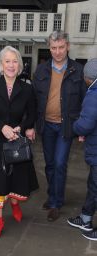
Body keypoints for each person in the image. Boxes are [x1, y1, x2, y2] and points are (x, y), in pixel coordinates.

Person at [0, 46, 39, 240]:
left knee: (15, 179)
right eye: (7, 61)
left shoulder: (27, 89)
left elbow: (32, 114)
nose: (11, 65)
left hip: (16, 141)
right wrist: (1, 127)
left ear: (20, 65)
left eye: (15, 61)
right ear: (1, 65)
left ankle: (15, 203)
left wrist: (22, 126)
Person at [32, 30, 87, 221]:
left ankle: (55, 203)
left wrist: (83, 127)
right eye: (54, 48)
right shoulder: (40, 70)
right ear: (49, 48)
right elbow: (33, 101)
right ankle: (54, 194)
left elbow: (85, 100)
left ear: (68, 46)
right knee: (49, 165)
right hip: (46, 126)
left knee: (60, 163)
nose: (57, 52)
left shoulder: (78, 70)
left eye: (61, 47)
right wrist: (30, 125)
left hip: (66, 126)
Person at [67, 58, 97, 241]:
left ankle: (88, 223)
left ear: (88, 78)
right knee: (93, 186)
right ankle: (85, 219)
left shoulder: (94, 94)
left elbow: (85, 124)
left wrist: (76, 127)